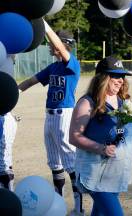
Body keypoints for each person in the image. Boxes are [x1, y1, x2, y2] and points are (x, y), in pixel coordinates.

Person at [18, 20, 84, 216]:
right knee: (55, 164)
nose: (50, 47)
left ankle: (79, 208)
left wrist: (45, 26)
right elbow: (30, 81)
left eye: (54, 44)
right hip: (49, 117)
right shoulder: (53, 68)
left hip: (64, 115)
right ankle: (59, 204)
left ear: (64, 44)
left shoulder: (71, 63)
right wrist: (12, 92)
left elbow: (57, 45)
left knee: (70, 164)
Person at [69, 55, 132, 216]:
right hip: (95, 172)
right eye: (115, 75)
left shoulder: (124, 101)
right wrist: (101, 148)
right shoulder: (87, 102)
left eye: (122, 76)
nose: (120, 80)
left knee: (100, 213)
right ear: (102, 77)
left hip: (116, 171)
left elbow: (126, 133)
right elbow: (74, 137)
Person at [0, 54, 18, 191]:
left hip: (4, 116)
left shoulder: (7, 58)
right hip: (6, 115)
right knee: (4, 162)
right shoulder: (8, 57)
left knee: (2, 163)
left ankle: (8, 198)